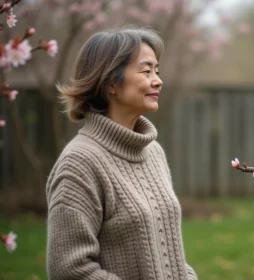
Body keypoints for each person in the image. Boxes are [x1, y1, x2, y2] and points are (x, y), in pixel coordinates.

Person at [45, 26, 198, 280]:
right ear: (110, 84)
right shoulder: (79, 163)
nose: (158, 79)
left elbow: (170, 255)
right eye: (146, 70)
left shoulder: (153, 152)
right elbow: (69, 270)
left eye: (157, 71)